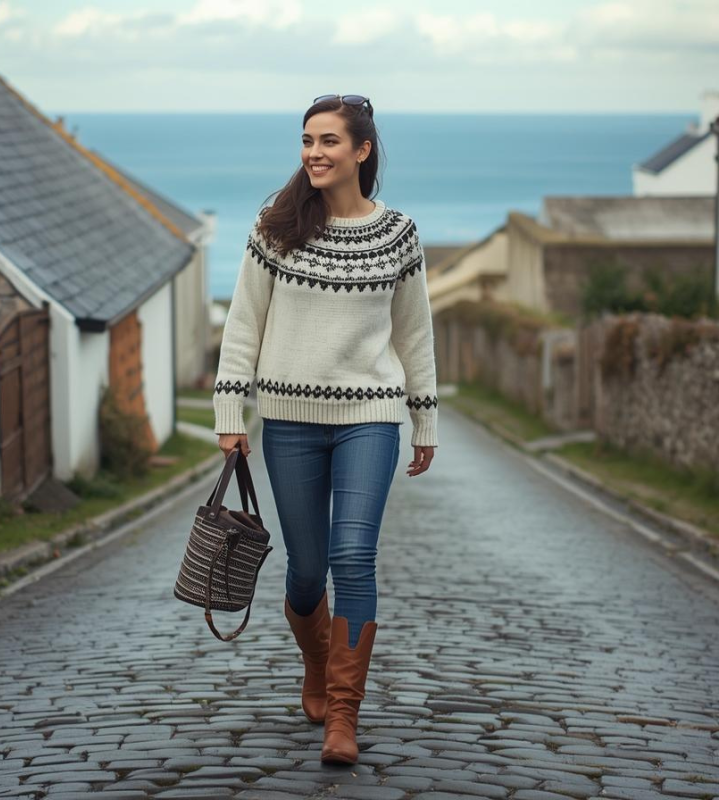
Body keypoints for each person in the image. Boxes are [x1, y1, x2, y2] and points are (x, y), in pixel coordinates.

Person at [213, 94, 439, 765]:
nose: (314, 152)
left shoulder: (399, 234)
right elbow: (243, 324)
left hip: (370, 416)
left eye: (329, 141)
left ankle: (344, 714)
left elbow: (415, 332)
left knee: (353, 557)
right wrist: (231, 413)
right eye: (307, 140)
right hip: (287, 420)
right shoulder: (274, 227)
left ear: (362, 151)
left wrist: (423, 418)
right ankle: (317, 662)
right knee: (307, 570)